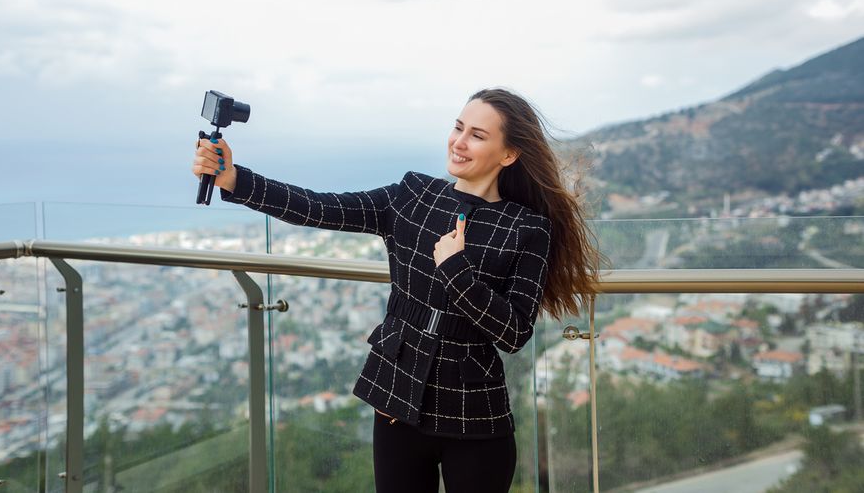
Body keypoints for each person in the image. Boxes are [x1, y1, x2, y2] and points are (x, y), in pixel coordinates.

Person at [192, 88, 601, 493]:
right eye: (458, 128)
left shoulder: (528, 229)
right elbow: (318, 207)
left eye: (477, 135)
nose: (459, 142)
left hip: (475, 417)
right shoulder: (412, 196)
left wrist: (456, 270)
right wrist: (235, 179)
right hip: (396, 402)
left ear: (508, 154)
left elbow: (514, 333)